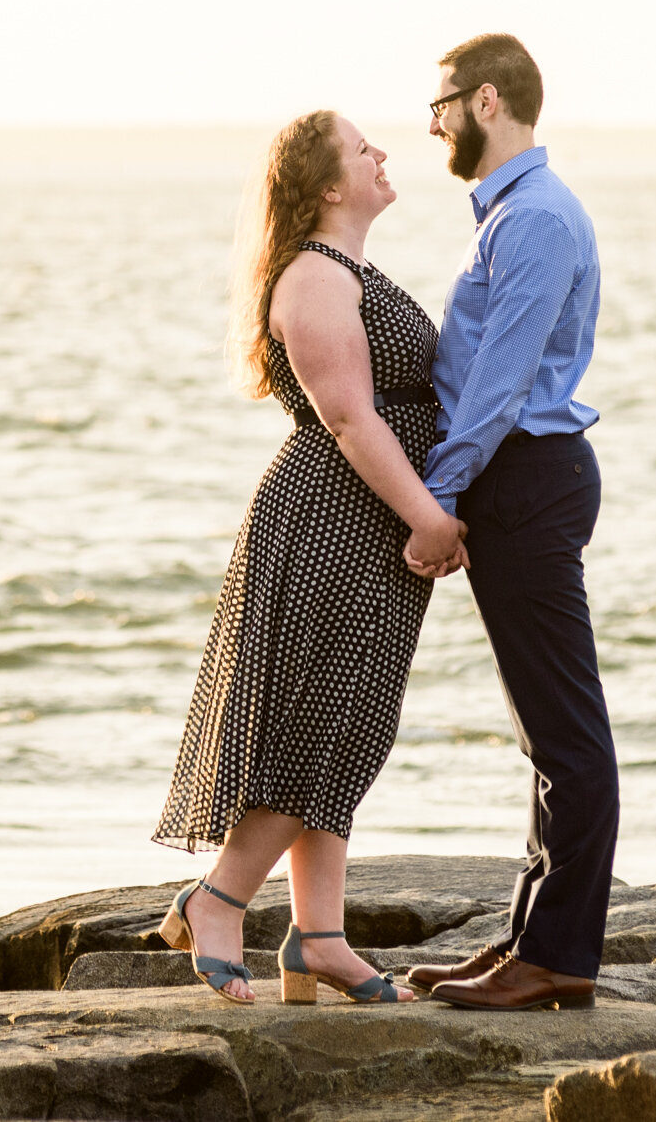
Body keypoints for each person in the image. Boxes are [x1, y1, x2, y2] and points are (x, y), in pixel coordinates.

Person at [152, 110, 466, 1005]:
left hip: (365, 523)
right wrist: (429, 517)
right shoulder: (313, 277)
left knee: (346, 727)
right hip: (332, 518)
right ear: (330, 186)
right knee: (319, 720)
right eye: (364, 149)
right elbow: (348, 417)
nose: (382, 154)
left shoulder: (350, 269)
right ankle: (217, 900)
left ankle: (318, 934)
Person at [399, 33, 615, 1013]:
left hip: (523, 477)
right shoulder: (514, 212)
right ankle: (530, 941)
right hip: (521, 477)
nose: (432, 123)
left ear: (486, 101)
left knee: (565, 733)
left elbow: (497, 383)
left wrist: (437, 494)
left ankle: (559, 956)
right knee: (545, 732)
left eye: (439, 103)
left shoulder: (530, 219)